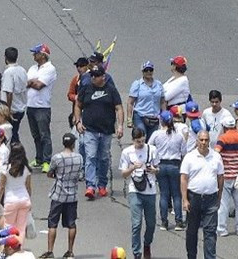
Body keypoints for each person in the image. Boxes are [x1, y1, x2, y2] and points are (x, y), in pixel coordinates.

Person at [74, 64, 124, 199]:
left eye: (96, 76)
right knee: (90, 157)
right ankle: (90, 186)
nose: (93, 78)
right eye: (92, 76)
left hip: (106, 130)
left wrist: (120, 126)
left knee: (103, 158)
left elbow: (119, 107)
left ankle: (102, 184)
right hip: (90, 130)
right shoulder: (86, 88)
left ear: (103, 77)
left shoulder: (111, 89)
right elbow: (78, 105)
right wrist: (78, 121)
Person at [180, 131, 224, 259]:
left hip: (211, 198)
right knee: (192, 231)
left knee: (210, 232)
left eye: (206, 140)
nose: (204, 143)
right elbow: (183, 178)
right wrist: (185, 199)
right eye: (201, 140)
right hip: (194, 198)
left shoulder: (216, 157)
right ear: (197, 141)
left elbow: (220, 177)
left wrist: (219, 196)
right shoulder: (189, 157)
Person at [120, 128, 159, 259]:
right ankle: (137, 252)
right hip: (134, 190)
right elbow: (124, 174)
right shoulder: (127, 152)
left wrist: (154, 170)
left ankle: (147, 244)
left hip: (150, 190)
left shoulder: (152, 149)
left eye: (142, 141)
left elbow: (158, 168)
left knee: (151, 223)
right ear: (133, 140)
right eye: (138, 142)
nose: (140, 144)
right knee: (136, 223)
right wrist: (132, 168)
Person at [45, 132, 82, 258]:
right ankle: (70, 251)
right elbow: (79, 175)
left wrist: (57, 175)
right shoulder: (79, 158)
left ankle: (50, 251)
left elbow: (50, 173)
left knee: (52, 223)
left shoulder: (57, 158)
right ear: (73, 144)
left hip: (58, 194)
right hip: (72, 195)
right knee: (71, 223)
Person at [149, 110, 186, 231]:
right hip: (174, 165)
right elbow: (184, 152)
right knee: (176, 194)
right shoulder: (179, 135)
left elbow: (149, 147)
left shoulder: (157, 134)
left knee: (164, 194)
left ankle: (164, 222)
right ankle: (179, 222)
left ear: (161, 121)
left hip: (161, 165)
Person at [214, 116, 238, 237]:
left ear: (224, 127)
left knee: (223, 204)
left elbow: (216, 153)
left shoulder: (223, 138)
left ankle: (222, 228)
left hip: (226, 175)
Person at [26, 44, 57, 170]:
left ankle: (47, 160)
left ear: (43, 55)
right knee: (36, 135)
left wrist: (32, 82)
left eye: (36, 53)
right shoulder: (33, 68)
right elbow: (26, 83)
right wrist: (32, 81)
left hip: (42, 106)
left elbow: (39, 85)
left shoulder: (50, 68)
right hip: (30, 105)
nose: (34, 55)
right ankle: (38, 158)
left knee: (44, 134)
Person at [0, 143, 32, 233]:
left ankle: (9, 245)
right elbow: (28, 188)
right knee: (21, 227)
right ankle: (19, 246)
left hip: (10, 200)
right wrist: (29, 200)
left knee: (8, 226)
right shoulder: (26, 169)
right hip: (24, 200)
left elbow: (1, 187)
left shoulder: (5, 169)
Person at [127, 61, 164, 141]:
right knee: (141, 136)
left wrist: (164, 116)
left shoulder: (159, 85)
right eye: (146, 70)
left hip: (154, 117)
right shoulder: (137, 84)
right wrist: (129, 119)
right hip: (140, 116)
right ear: (142, 72)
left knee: (151, 141)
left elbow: (163, 101)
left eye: (150, 70)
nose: (148, 72)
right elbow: (130, 102)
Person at [0, 47, 27, 144]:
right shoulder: (22, 70)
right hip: (21, 107)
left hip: (12, 110)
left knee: (10, 135)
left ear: (5, 58)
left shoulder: (8, 72)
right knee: (14, 132)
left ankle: (17, 155)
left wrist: (8, 110)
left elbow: (9, 93)